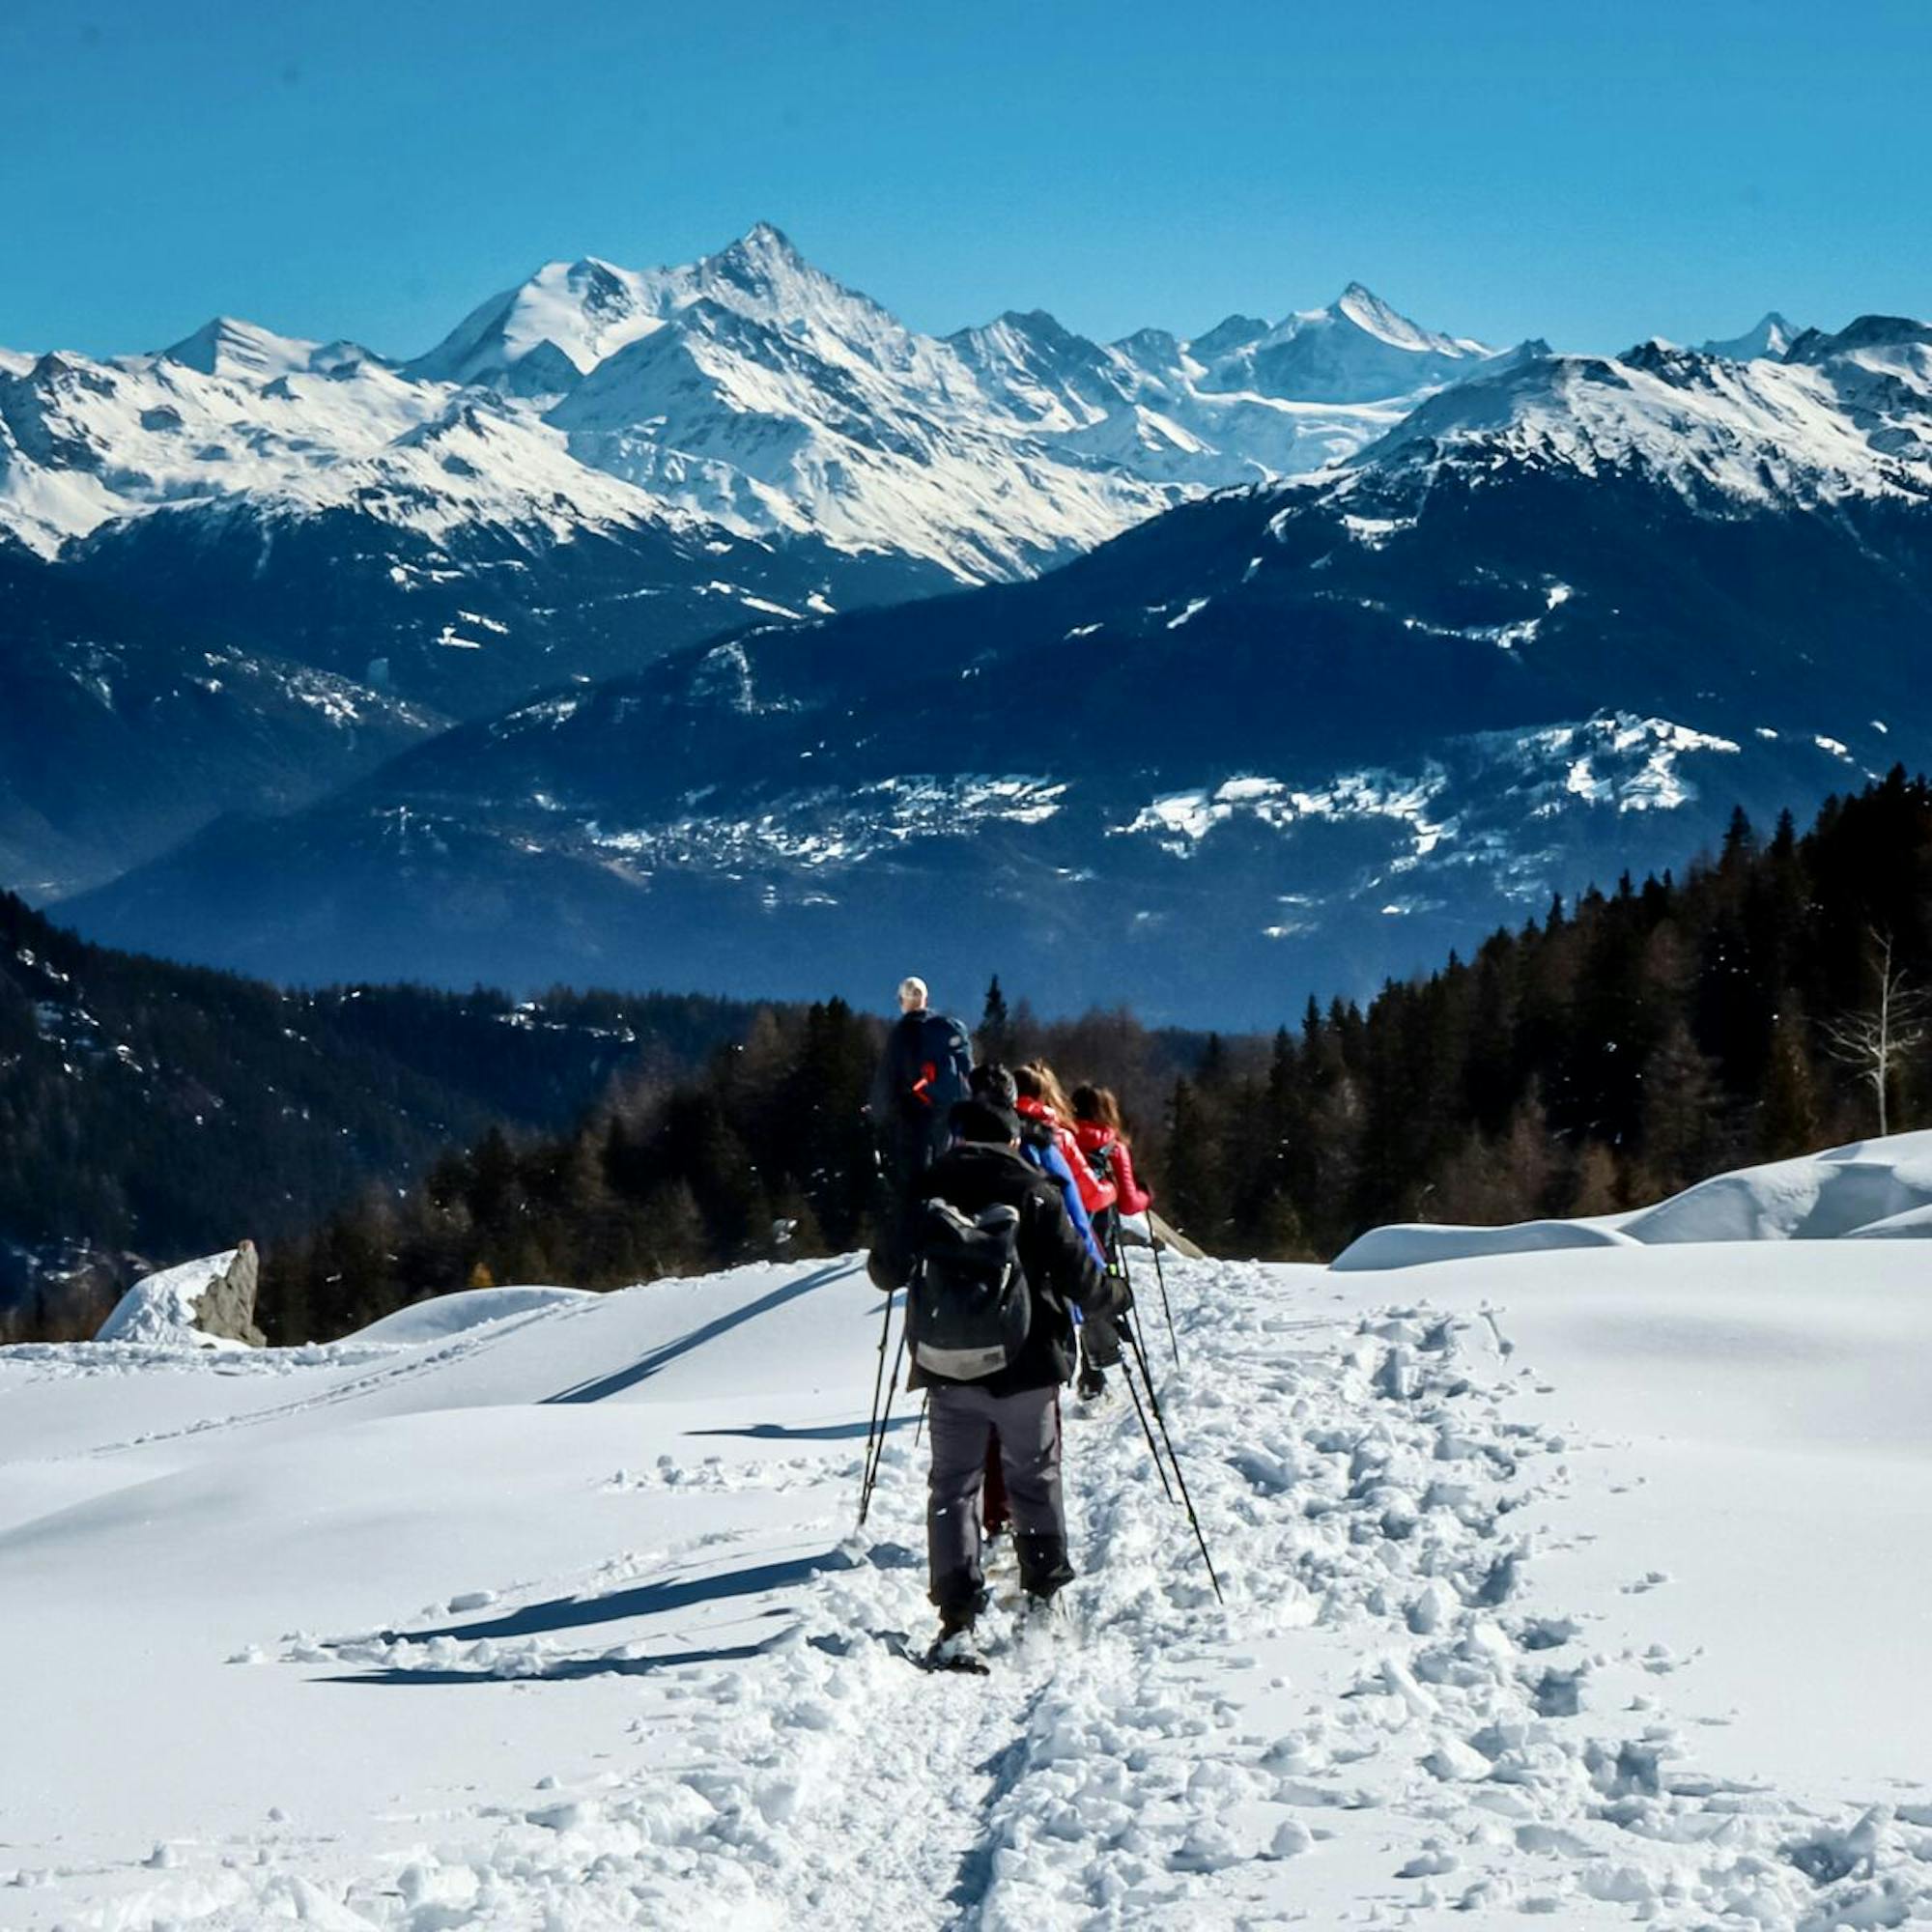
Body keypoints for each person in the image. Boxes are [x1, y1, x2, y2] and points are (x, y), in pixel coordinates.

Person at [871, 1094, 1130, 1666]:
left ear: (959, 1137)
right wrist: (1117, 1295)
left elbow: (881, 1272)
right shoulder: (1036, 1190)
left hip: (947, 1366)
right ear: (1013, 1139)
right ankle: (1043, 1601)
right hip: (1028, 1367)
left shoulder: (926, 1188)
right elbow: (1080, 1277)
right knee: (1034, 1478)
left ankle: (958, 1620)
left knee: (953, 1488)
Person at [1013, 1062, 1120, 1399]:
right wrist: (1112, 1190)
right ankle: (1089, 1377)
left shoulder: (988, 1133)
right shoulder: (1056, 1138)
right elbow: (1087, 1196)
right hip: (1052, 1248)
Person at [1070, 1085, 1154, 1256]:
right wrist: (1145, 1195)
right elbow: (1128, 1204)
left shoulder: (1061, 1138)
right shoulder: (1113, 1148)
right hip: (1097, 1237)